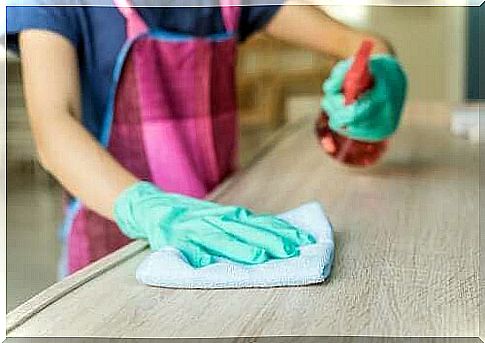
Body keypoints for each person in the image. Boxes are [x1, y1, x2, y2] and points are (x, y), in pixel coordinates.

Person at [6, 1, 406, 276]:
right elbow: (54, 128)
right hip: (114, 249)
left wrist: (379, 72)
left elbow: (358, 45)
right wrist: (152, 210)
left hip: (225, 237)